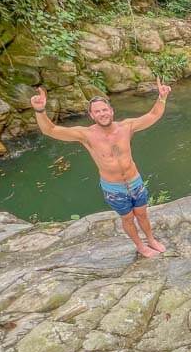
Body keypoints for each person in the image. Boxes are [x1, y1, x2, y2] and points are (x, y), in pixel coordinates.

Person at [29, 79, 172, 258]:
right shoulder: (86, 135)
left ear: (111, 111)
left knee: (142, 214)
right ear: (92, 115)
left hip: (135, 181)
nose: (102, 113)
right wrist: (40, 110)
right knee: (127, 218)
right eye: (97, 111)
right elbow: (50, 130)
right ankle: (140, 246)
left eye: (105, 110)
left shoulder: (126, 127)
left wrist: (162, 97)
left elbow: (152, 116)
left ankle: (150, 239)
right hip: (114, 188)